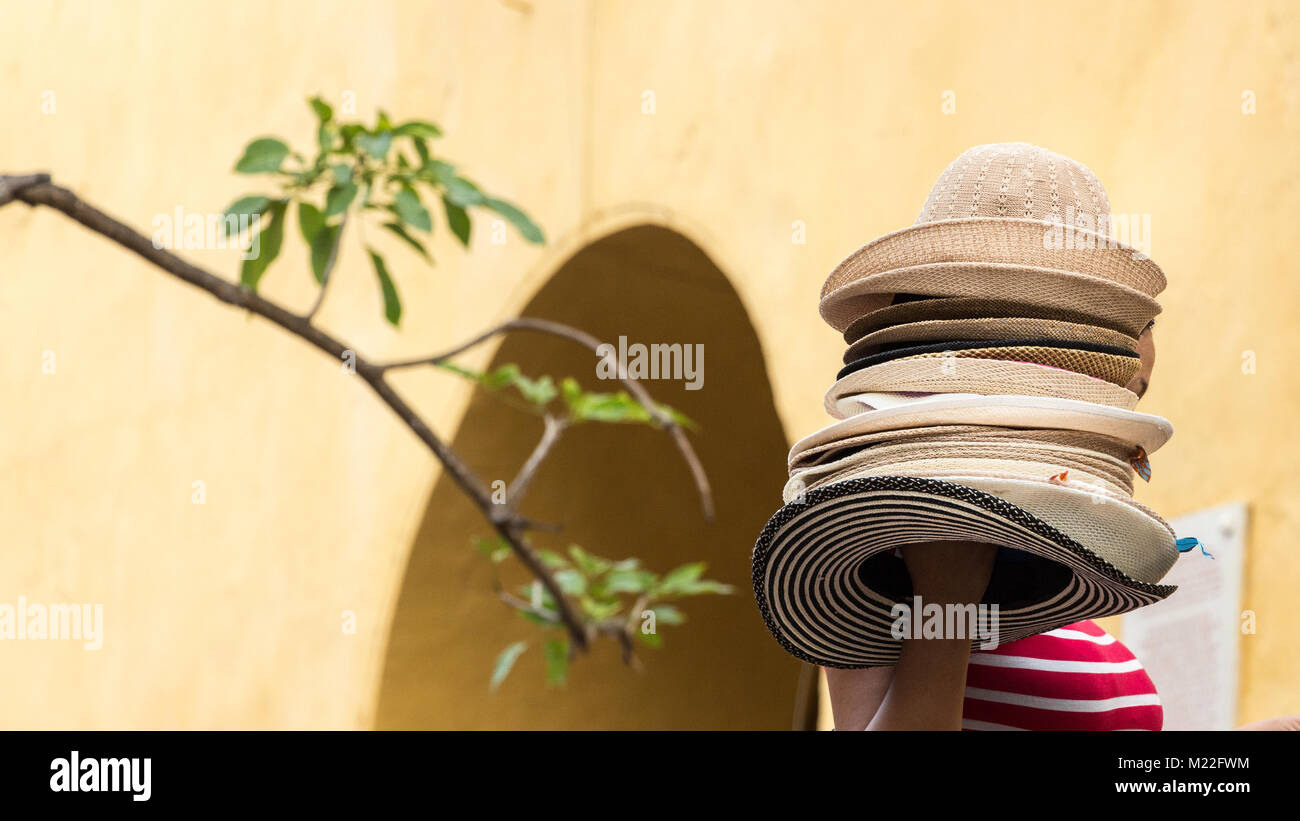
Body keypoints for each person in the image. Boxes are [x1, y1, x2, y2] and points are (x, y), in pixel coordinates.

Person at [826, 322, 1297, 731]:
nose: (1121, 426)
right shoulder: (880, 557)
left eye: (1131, 396)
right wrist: (949, 594)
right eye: (1103, 390)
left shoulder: (1042, 580)